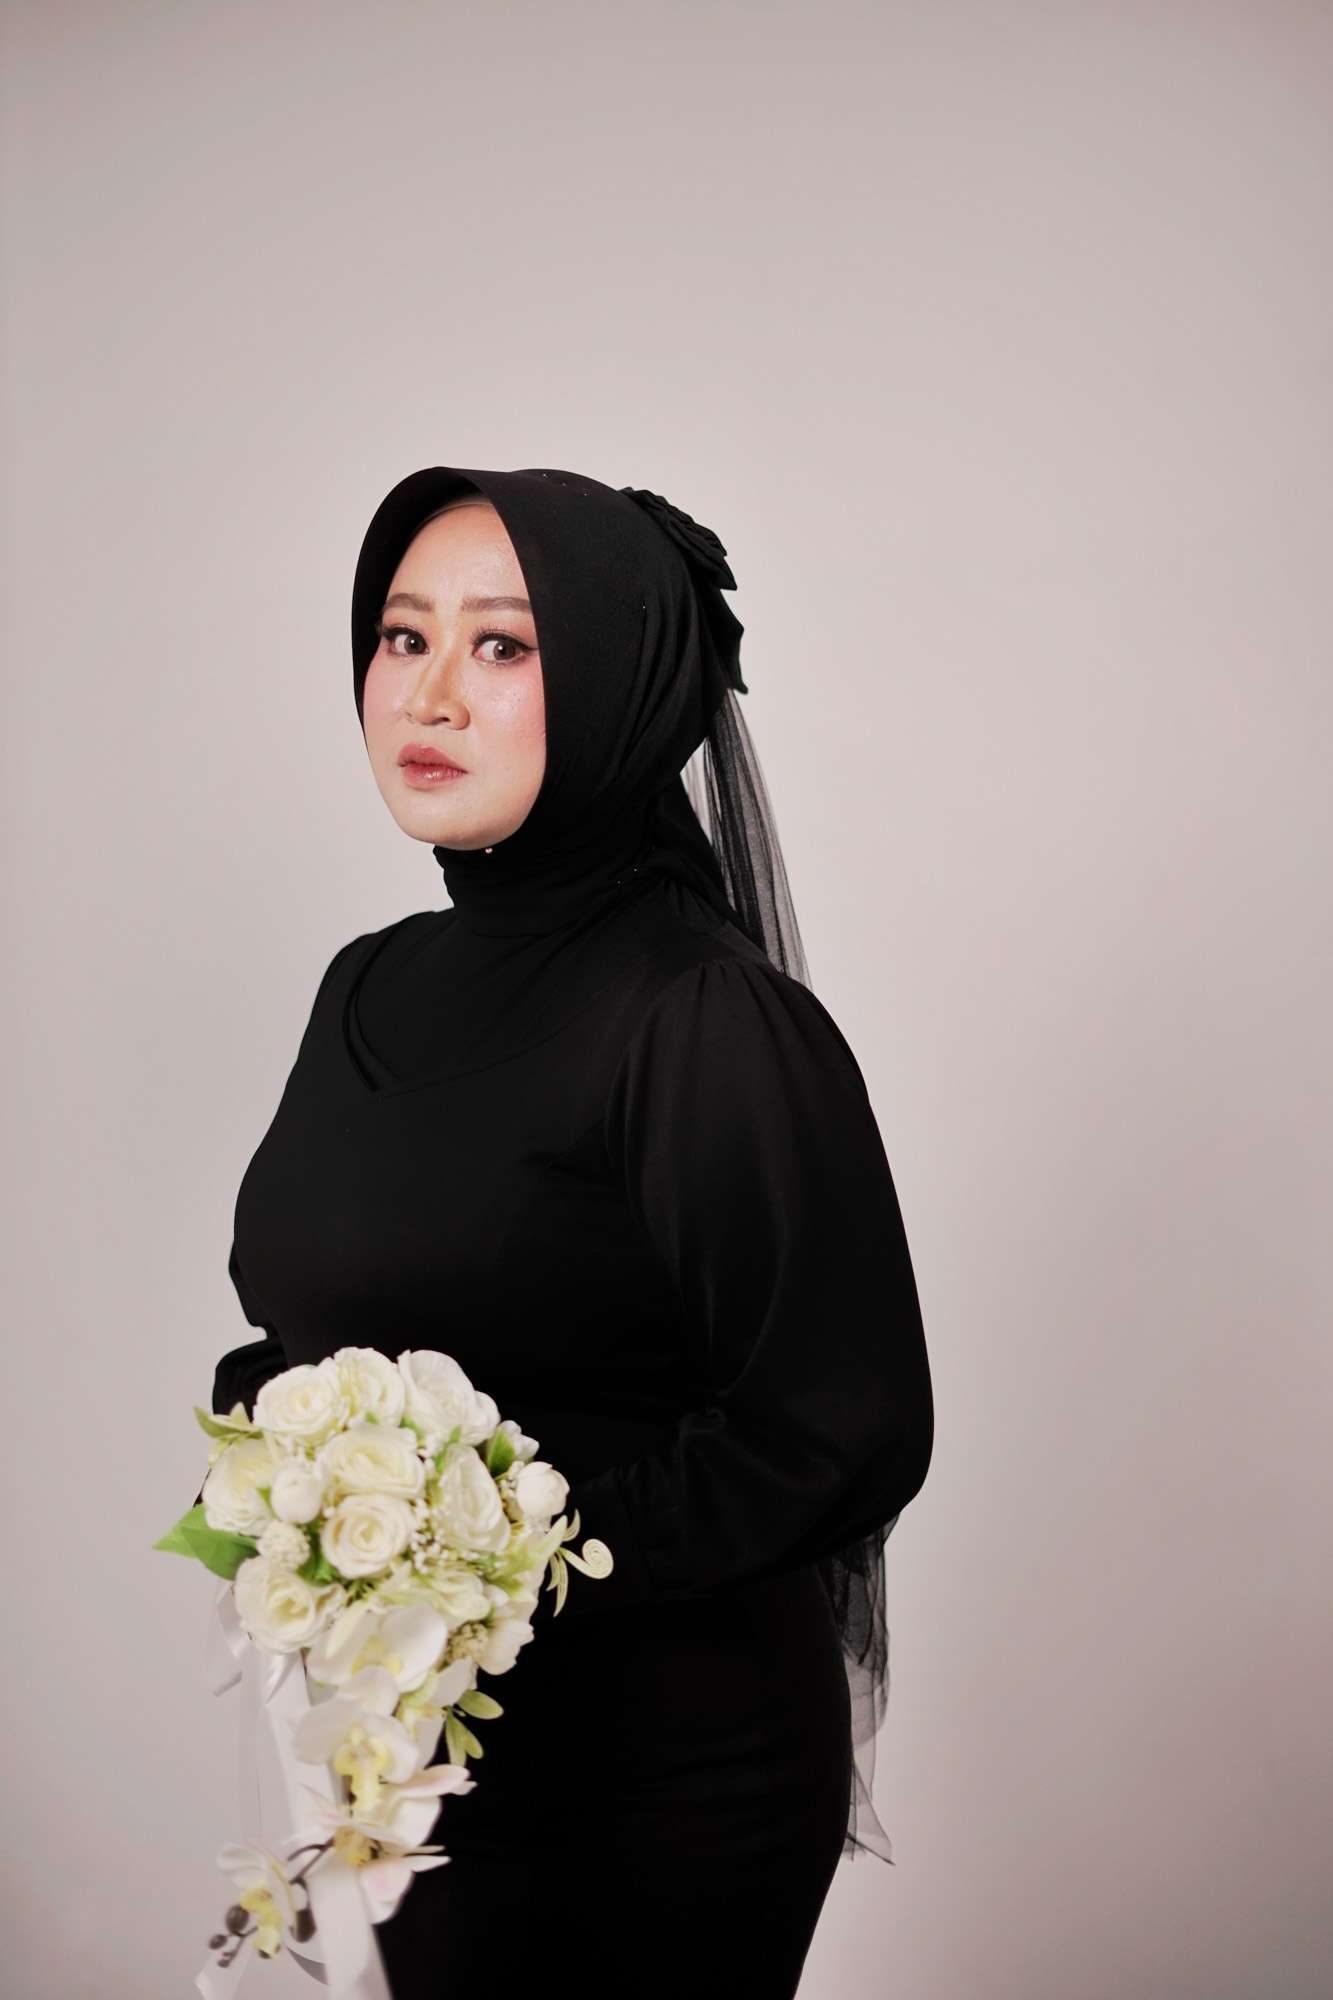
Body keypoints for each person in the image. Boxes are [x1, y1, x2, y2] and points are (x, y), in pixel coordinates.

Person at [209, 464, 934, 1996]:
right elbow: (321, 1315)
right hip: (422, 1764)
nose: (430, 694)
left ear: (619, 683)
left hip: (660, 1780)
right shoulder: (368, 983)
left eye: (502, 644)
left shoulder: (701, 1016)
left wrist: (493, 1562)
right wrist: (285, 1463)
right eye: (402, 637)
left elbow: (839, 1426)